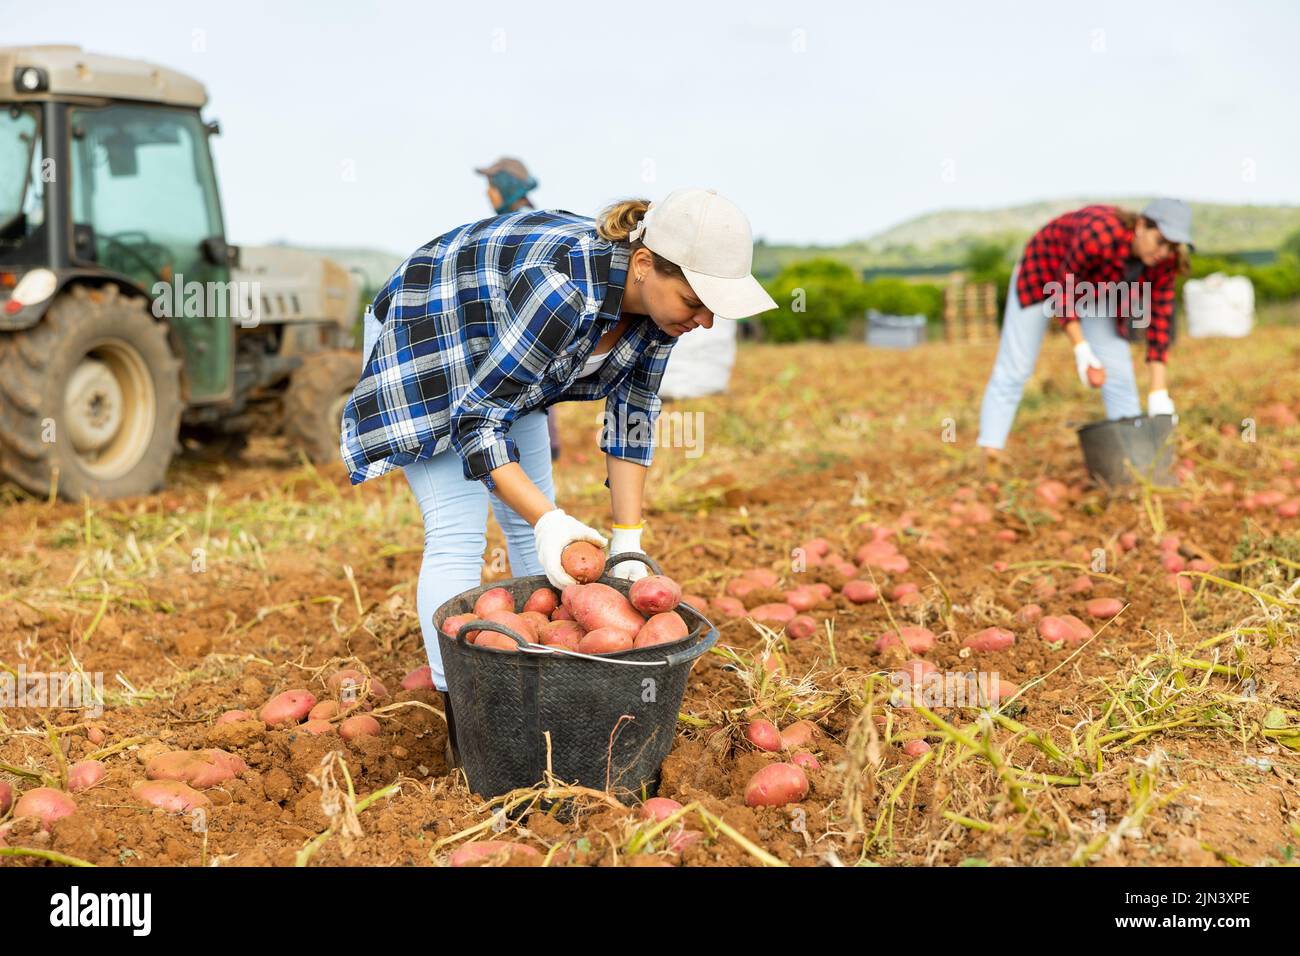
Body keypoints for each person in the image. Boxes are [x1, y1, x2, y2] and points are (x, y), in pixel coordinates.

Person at [341, 188, 776, 765]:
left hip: (502, 352)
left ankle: (543, 692)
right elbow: (478, 420)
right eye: (696, 300)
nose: (706, 320)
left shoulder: (654, 314)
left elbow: (633, 418)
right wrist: (550, 520)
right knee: (458, 533)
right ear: (644, 265)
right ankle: (466, 727)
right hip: (433, 331)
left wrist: (627, 539)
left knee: (535, 532)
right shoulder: (562, 291)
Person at [977, 199, 1193, 471]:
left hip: (1097, 287)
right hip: (1044, 274)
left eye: (1172, 246)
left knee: (1118, 371)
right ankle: (991, 455)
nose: (1164, 251)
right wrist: (1081, 349)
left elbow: (1159, 320)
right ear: (1140, 226)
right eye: (1160, 241)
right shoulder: (1098, 235)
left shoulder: (1164, 261)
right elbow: (1063, 291)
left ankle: (1133, 461)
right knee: (1016, 367)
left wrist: (1158, 391)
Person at [474, 157, 565, 461]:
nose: (488, 194)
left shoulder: (526, 226)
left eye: (492, 186)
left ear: (507, 187)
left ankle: (541, 450)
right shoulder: (521, 221)